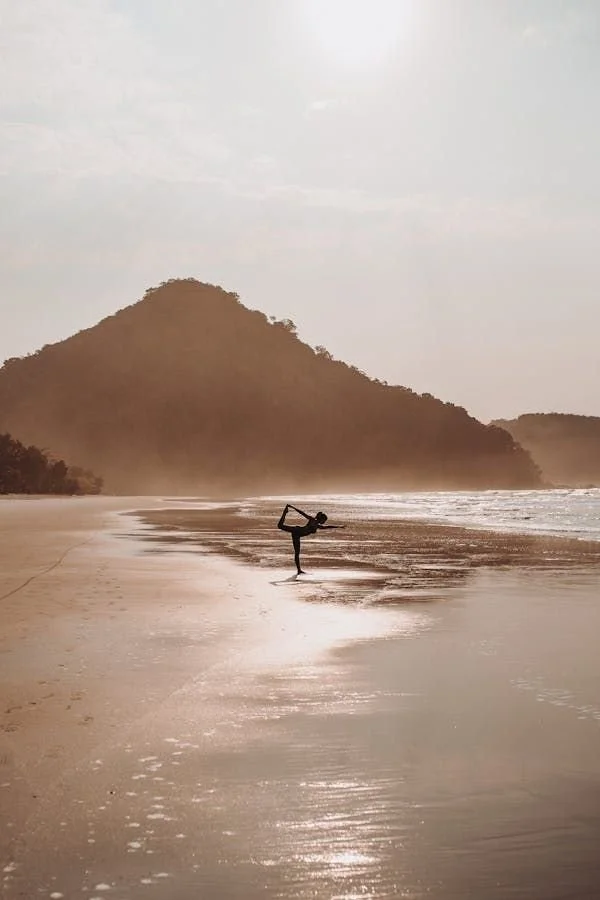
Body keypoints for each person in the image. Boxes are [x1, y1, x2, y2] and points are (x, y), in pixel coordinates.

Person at [277, 503, 344, 575]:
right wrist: (293, 507)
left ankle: (299, 570)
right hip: (297, 530)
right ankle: (285, 512)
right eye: (324, 521)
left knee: (297, 553)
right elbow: (302, 513)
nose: (324, 522)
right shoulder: (312, 520)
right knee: (280, 526)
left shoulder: (317, 526)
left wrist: (338, 527)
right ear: (321, 519)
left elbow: (327, 527)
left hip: (297, 535)